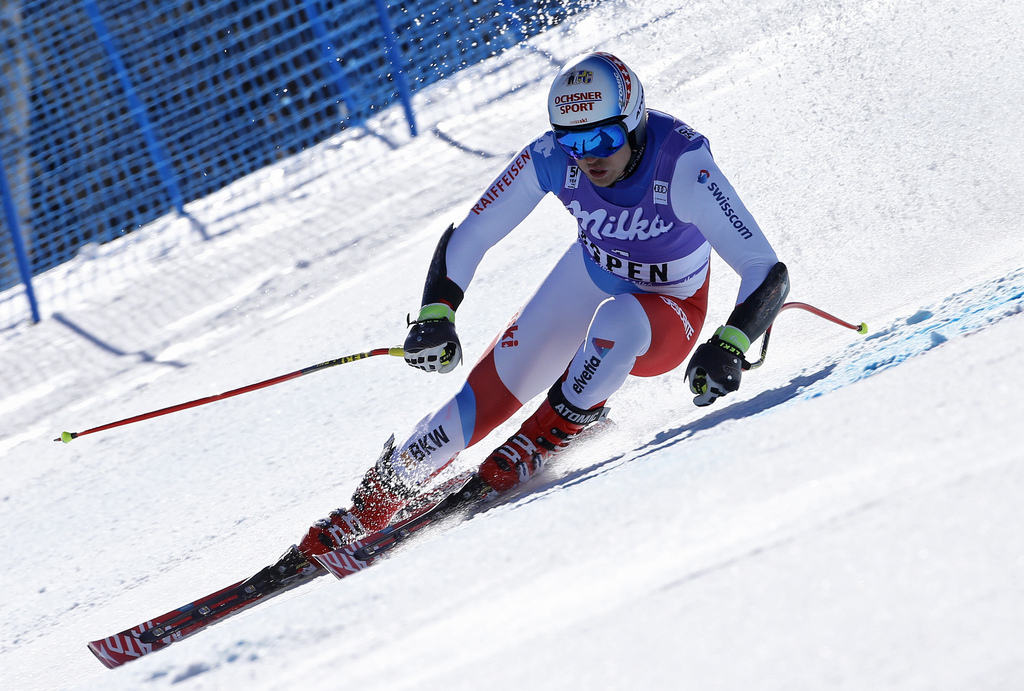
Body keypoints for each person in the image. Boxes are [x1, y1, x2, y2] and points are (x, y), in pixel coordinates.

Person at [297, 51, 789, 558]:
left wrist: (730, 344)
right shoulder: (551, 157)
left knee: (616, 322)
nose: (588, 156)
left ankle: (551, 430)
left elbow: (766, 269)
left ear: (635, 121)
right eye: (573, 141)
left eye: (602, 138)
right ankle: (375, 500)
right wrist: (436, 315)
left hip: (669, 308)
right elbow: (472, 235)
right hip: (591, 273)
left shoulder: (682, 165)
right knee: (472, 405)